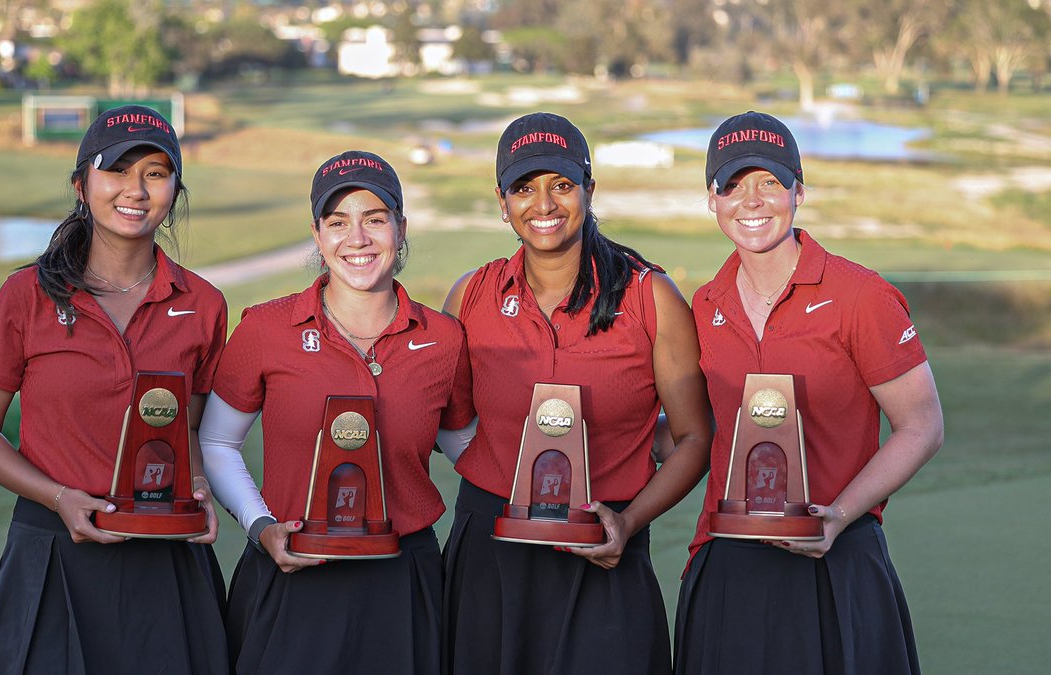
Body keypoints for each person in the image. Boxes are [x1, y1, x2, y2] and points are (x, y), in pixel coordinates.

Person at [0, 105, 229, 674]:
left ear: (175, 190)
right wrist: (59, 497)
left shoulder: (203, 304)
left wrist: (199, 486)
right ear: (83, 185)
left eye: (155, 172)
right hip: (55, 551)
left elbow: (189, 433)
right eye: (118, 171)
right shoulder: (25, 294)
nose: (136, 189)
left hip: (166, 556)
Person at [440, 112, 713, 674]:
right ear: (501, 198)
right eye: (524, 187)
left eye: (562, 185)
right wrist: (490, 468)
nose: (543, 204)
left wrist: (629, 522)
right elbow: (449, 419)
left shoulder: (649, 296)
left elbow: (693, 437)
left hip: (604, 548)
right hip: (491, 558)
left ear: (589, 190)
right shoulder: (470, 296)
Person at [674, 111, 944, 674]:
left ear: (799, 189)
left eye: (769, 182)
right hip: (730, 557)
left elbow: (921, 426)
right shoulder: (706, 304)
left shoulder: (860, 296)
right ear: (711, 199)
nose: (752, 200)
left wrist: (838, 515)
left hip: (835, 555)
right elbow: (697, 429)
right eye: (733, 184)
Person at [198, 150, 474, 674]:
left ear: (400, 227)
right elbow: (217, 442)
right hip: (293, 568)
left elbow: (468, 446)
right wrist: (261, 526)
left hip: (403, 580)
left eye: (374, 219)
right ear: (318, 234)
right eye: (338, 222)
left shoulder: (443, 339)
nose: (358, 239)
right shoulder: (265, 328)